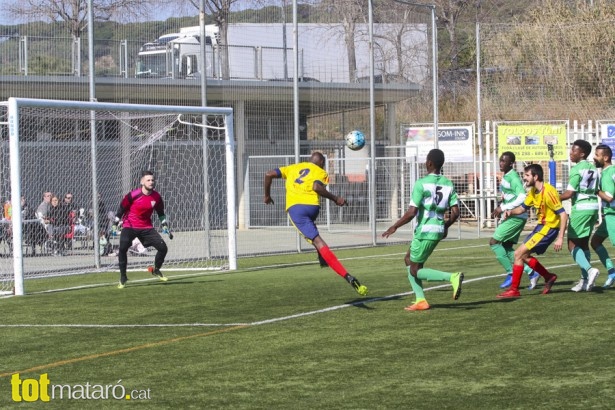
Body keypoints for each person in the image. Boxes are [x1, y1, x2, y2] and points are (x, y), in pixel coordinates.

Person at [263, 152, 368, 296]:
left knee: (318, 241)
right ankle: (321, 257)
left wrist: (267, 195)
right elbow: (317, 187)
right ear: (321, 163)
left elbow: (269, 174)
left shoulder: (293, 167)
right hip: (313, 207)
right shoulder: (321, 172)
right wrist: (335, 198)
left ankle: (347, 276)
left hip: (296, 209)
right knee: (313, 233)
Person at [381, 148, 464, 311]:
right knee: (408, 259)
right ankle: (420, 300)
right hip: (437, 229)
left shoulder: (421, 183)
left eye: (426, 160)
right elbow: (455, 213)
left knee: (414, 269)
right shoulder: (448, 183)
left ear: (429, 163)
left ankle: (452, 277)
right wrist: (445, 226)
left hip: (425, 231)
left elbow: (412, 212)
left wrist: (394, 226)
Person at [497, 164, 568, 298]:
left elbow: (563, 215)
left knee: (518, 254)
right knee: (523, 256)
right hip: (540, 228)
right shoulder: (533, 192)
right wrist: (511, 211)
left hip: (549, 229)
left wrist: (560, 238)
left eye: (527, 175)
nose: (524, 178)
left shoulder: (549, 192)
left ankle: (514, 290)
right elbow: (522, 208)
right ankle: (548, 277)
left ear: (536, 177)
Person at [490, 152, 539, 290]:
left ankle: (511, 273)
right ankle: (532, 273)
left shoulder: (513, 177)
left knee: (493, 242)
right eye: (500, 160)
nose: (501, 163)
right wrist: (503, 202)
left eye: (504, 161)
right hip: (512, 215)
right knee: (506, 247)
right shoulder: (506, 176)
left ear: (511, 163)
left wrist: (503, 207)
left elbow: (522, 197)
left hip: (516, 216)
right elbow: (511, 195)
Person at [113, 170, 169, 288]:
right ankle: (123, 277)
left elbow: (161, 213)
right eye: (148, 180)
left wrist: (164, 224)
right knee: (123, 248)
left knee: (163, 248)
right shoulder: (133, 195)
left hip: (146, 227)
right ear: (142, 182)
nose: (151, 182)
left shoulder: (157, 197)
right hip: (130, 225)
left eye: (152, 180)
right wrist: (116, 221)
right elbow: (121, 208)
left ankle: (156, 270)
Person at [559, 139, 600, 291]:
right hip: (593, 207)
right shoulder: (593, 168)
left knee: (572, 244)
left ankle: (590, 271)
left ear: (582, 154)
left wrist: (551, 198)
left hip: (581, 207)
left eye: (574, 150)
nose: (571, 153)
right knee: (583, 244)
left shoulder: (576, 169)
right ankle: (585, 281)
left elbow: (570, 193)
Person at [590, 144, 615, 288]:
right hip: (608, 216)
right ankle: (612, 272)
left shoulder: (608, 172)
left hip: (613, 215)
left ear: (605, 157)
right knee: (595, 242)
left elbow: (609, 198)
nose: (594, 158)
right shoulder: (608, 172)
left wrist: (595, 190)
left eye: (597, 155)